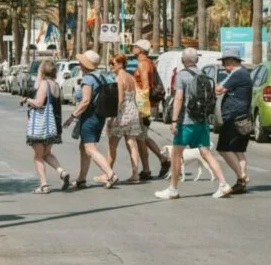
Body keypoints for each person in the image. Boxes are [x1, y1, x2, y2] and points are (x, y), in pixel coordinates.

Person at [154, 47, 232, 199]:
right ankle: (223, 184)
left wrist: (174, 120)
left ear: (183, 61)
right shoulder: (204, 74)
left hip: (186, 122)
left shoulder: (181, 75)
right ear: (196, 60)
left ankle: (173, 189)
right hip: (201, 121)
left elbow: (178, 98)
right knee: (206, 153)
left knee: (176, 155)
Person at [63, 50, 119, 189]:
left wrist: (72, 116)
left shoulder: (88, 79)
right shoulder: (101, 76)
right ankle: (82, 179)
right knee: (83, 147)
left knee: (90, 148)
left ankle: (110, 174)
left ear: (84, 64)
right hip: (99, 116)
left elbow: (86, 100)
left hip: (90, 116)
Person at [20, 60, 70, 194]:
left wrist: (27, 100)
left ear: (43, 71)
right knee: (46, 153)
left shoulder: (44, 84)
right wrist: (39, 75)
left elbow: (39, 102)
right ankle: (62, 171)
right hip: (52, 125)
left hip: (41, 125)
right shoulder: (55, 85)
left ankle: (44, 185)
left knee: (37, 156)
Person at [95, 54, 143, 184]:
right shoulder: (131, 77)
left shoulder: (119, 78)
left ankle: (108, 173)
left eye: (113, 63)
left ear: (121, 64)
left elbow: (119, 99)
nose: (112, 66)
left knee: (112, 144)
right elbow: (134, 96)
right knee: (132, 143)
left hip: (122, 112)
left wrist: (113, 117)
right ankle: (135, 174)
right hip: (132, 110)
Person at [215, 48, 253, 194]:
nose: (224, 66)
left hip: (233, 117)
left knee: (223, 149)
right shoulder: (241, 74)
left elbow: (219, 90)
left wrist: (213, 85)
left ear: (231, 61)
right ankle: (240, 183)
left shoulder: (238, 74)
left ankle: (241, 175)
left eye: (225, 62)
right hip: (241, 116)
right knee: (238, 150)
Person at [132, 39, 171, 180]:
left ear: (141, 49)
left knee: (140, 137)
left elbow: (146, 87)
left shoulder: (143, 64)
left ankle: (150, 168)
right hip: (148, 105)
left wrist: (142, 110)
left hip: (144, 105)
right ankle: (160, 161)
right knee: (142, 136)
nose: (133, 48)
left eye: (135, 46)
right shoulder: (149, 63)